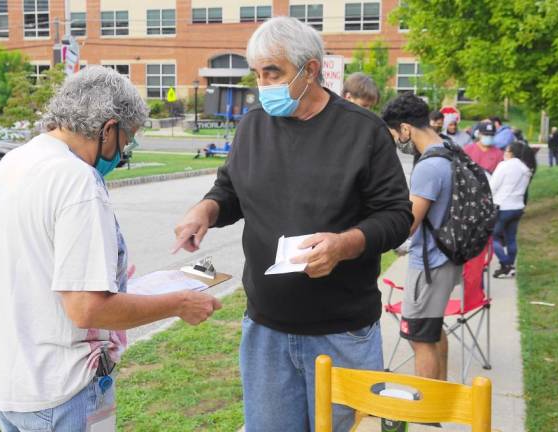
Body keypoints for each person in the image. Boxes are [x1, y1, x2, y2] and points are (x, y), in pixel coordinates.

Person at [173, 17, 412, 432]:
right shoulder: (252, 125)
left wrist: (343, 245)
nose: (263, 84)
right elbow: (229, 189)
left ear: (310, 71)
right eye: (258, 73)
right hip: (266, 329)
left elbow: (397, 217)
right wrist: (205, 210)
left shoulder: (363, 131)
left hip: (342, 333)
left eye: (274, 73)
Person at [0, 67, 222, 432]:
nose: (124, 152)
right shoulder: (78, 181)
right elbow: (86, 307)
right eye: (128, 139)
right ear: (108, 129)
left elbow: (36, 265)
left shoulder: (16, 162)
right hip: (62, 391)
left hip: (10, 386)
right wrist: (179, 303)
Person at [381, 92, 459, 382]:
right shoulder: (450, 148)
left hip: (429, 263)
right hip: (447, 257)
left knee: (419, 336)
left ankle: (426, 412)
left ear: (405, 128)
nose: (398, 142)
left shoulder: (429, 165)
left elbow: (408, 223)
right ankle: (441, 395)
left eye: (395, 134)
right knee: (433, 327)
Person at [490, 141, 533, 278]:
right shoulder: (526, 169)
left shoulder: (504, 166)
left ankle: (506, 264)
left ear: (512, 152)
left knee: (493, 237)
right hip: (517, 207)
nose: (504, 153)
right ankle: (510, 265)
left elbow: (493, 186)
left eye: (507, 151)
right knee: (511, 238)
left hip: (502, 206)